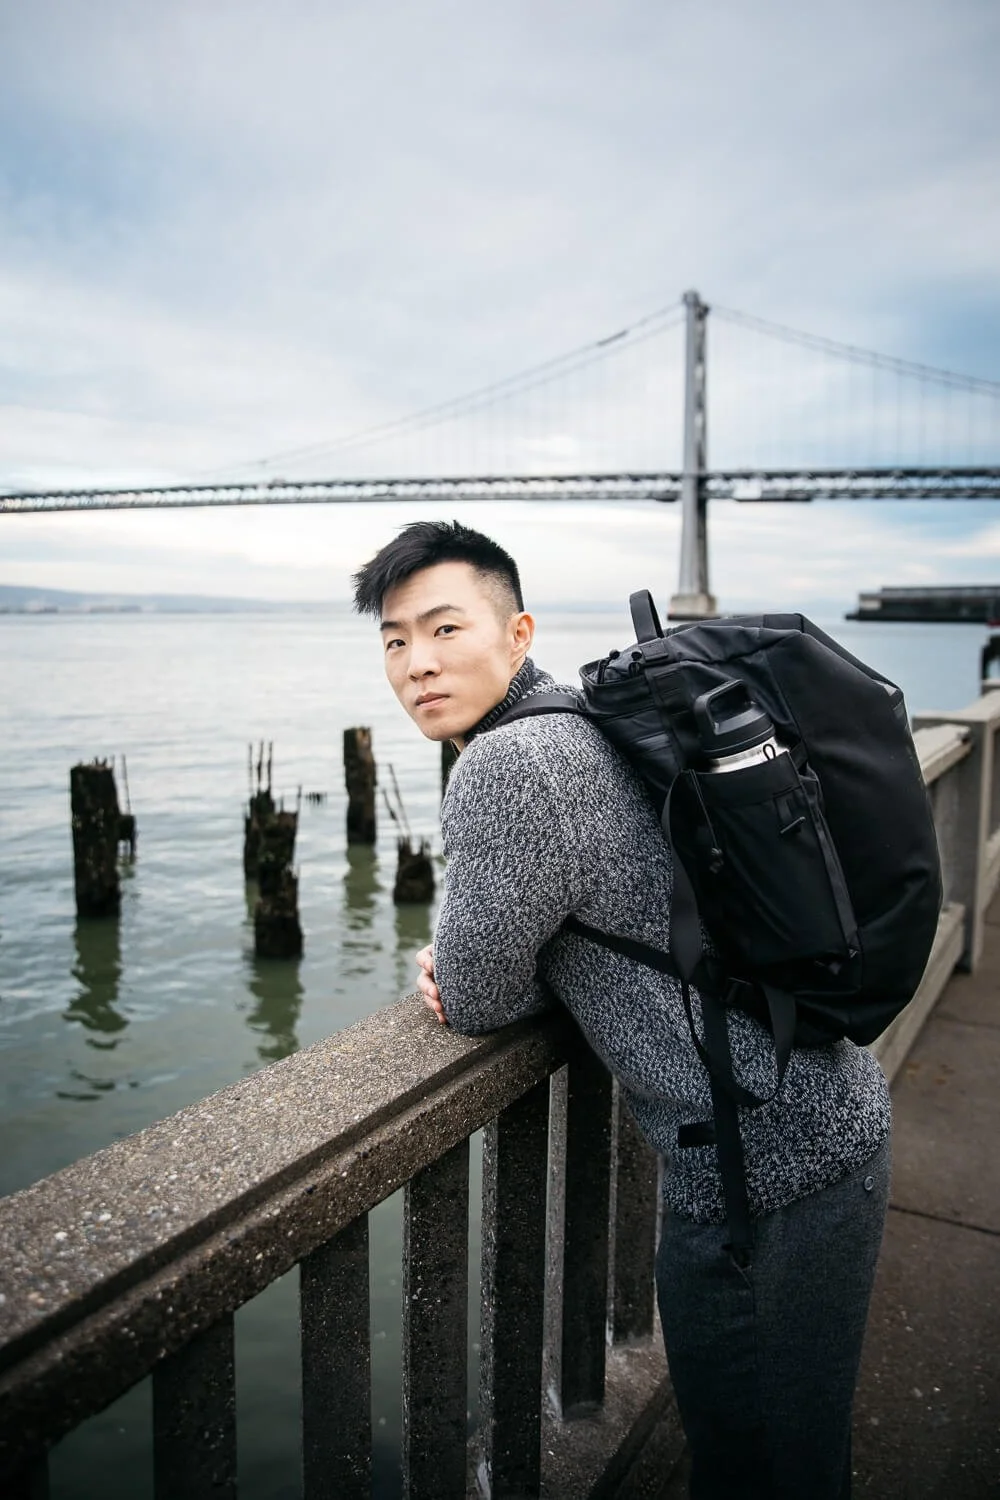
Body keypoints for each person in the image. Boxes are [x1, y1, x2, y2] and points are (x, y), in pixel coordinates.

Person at [352, 519, 891, 1500]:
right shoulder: (590, 713)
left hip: (756, 1177)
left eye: (444, 629)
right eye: (393, 640)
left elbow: (473, 996)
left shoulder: (507, 766)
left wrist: (461, 965)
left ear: (517, 633)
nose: (416, 664)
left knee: (757, 1467)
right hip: (825, 1113)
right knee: (801, 1450)